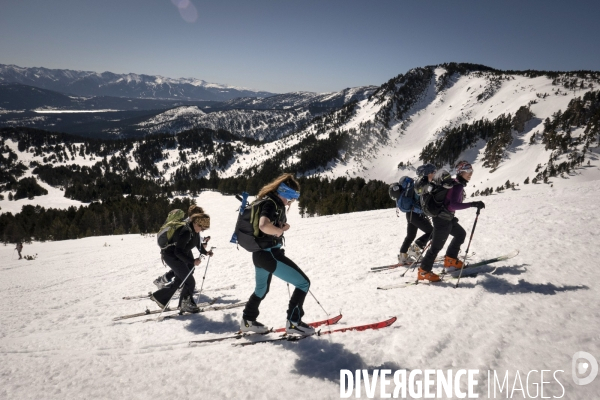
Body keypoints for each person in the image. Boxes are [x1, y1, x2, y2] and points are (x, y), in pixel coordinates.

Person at [240, 173, 314, 335]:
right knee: (303, 283)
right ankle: (294, 323)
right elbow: (264, 226)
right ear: (285, 193)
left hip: (259, 255)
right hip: (270, 255)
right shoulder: (272, 203)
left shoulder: (267, 200)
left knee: (261, 290)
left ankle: (248, 321)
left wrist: (280, 226)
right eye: (291, 197)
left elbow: (267, 225)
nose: (291, 202)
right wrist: (279, 231)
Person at [418, 160, 485, 282]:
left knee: (460, 234)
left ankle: (450, 259)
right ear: (460, 172)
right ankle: (423, 271)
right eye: (467, 171)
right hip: (442, 220)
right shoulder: (457, 185)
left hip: (447, 218)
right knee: (436, 247)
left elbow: (448, 203)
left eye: (471, 171)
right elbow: (453, 205)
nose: (470, 174)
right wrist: (473, 204)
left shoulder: (455, 182)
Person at [150, 212, 211, 313]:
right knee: (189, 281)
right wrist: (192, 261)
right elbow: (178, 252)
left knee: (181, 280)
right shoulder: (186, 231)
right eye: (202, 227)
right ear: (196, 223)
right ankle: (185, 304)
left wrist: (205, 252)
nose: (202, 230)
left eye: (204, 228)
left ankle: (160, 297)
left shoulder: (194, 231)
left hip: (177, 256)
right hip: (171, 256)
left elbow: (197, 244)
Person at [153, 205, 212, 289]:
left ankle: (172, 283)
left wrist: (204, 251)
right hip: (177, 251)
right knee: (184, 269)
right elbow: (187, 238)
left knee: (188, 267)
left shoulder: (193, 224)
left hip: (184, 250)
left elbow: (196, 239)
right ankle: (173, 284)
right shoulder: (187, 225)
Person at [397, 164, 436, 264]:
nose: (434, 174)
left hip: (410, 214)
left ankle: (403, 256)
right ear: (427, 173)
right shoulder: (422, 184)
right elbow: (422, 201)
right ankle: (415, 249)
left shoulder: (416, 182)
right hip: (416, 214)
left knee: (410, 235)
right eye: (433, 172)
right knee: (432, 232)